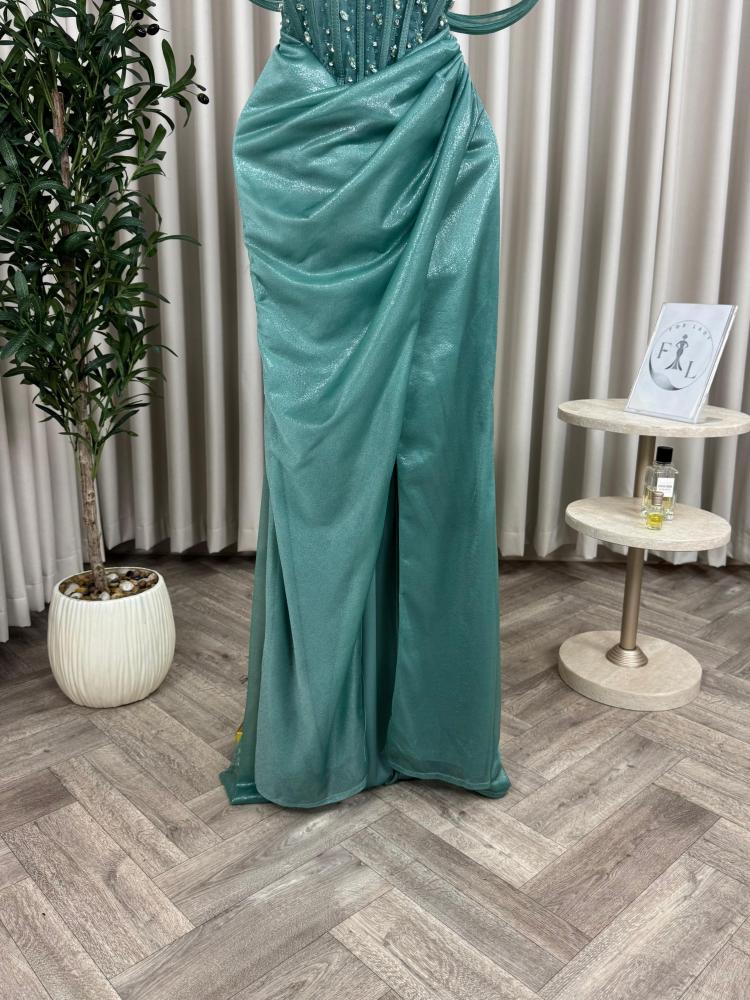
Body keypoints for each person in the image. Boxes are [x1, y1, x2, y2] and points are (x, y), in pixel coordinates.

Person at [221, 0, 540, 809]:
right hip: (310, 157)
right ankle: (323, 733)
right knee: (320, 458)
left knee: (438, 435)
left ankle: (427, 728)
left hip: (437, 148)